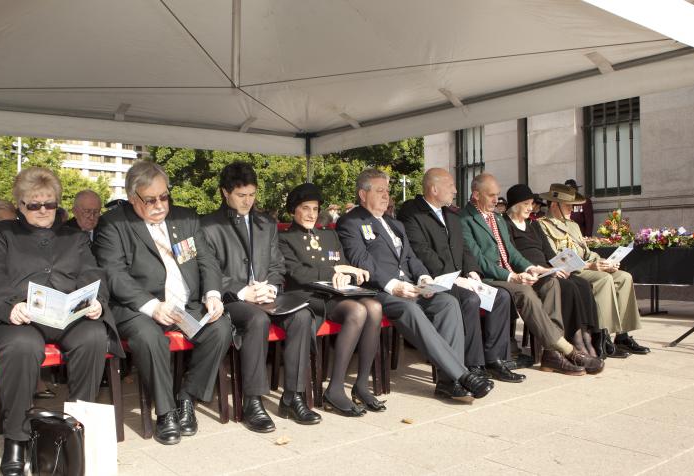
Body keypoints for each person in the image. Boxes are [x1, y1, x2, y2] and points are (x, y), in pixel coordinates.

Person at [0, 167, 121, 475]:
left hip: (66, 314)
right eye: (33, 204)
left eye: (49, 204)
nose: (42, 210)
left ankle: (75, 429)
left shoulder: (73, 236)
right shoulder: (3, 234)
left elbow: (93, 273)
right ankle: (16, 439)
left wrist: (96, 301)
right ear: (20, 205)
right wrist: (9, 305)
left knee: (93, 336)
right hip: (20, 316)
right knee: (22, 345)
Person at [93, 162, 232, 445]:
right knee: (149, 336)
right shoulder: (114, 224)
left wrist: (213, 294)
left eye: (164, 197)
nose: (160, 205)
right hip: (138, 307)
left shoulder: (186, 219)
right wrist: (152, 305)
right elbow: (113, 274)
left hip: (185, 304)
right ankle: (165, 412)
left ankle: (186, 398)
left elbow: (206, 260)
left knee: (221, 328)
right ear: (133, 199)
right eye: (150, 200)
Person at [338, 169, 494, 400]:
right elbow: (362, 261)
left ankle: (446, 382)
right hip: (381, 291)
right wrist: (393, 285)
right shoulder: (351, 222)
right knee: (409, 308)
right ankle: (461, 375)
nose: (386, 196)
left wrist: (423, 278)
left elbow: (411, 258)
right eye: (379, 190)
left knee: (448, 303)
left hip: (411, 286)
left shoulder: (395, 224)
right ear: (362, 194)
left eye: (387, 191)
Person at [199, 162, 320, 432]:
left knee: (301, 315)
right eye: (241, 195)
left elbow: (277, 264)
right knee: (256, 320)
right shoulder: (208, 226)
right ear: (224, 192)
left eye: (252, 195)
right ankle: (253, 401)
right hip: (233, 299)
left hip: (266, 294)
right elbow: (208, 271)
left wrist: (272, 288)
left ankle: (294, 396)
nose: (247, 201)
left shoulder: (266, 223)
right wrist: (243, 291)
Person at [460, 173, 601, 375]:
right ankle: (566, 349)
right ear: (475, 194)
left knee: (550, 282)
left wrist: (532, 268)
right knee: (525, 292)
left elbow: (512, 252)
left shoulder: (497, 219)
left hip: (512, 274)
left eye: (497, 195)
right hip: (491, 278)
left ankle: (551, 353)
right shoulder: (464, 219)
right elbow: (479, 259)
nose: (496, 200)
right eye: (491, 195)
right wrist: (512, 277)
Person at [397, 169, 523, 382]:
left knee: (501, 297)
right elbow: (421, 252)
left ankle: (494, 359)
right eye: (451, 186)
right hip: (435, 281)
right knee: (470, 299)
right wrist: (455, 278)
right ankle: (472, 364)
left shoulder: (450, 213)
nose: (455, 190)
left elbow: (464, 248)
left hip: (460, 277)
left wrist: (472, 271)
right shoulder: (412, 213)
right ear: (434, 189)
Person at [278, 183, 384, 416]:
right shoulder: (285, 238)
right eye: (305, 208)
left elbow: (344, 265)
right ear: (293, 210)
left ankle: (361, 385)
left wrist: (349, 274)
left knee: (374, 307)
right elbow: (298, 274)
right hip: (305, 295)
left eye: (314, 209)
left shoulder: (328, 235)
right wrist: (336, 270)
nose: (310, 214)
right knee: (358, 312)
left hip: (335, 294)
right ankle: (335, 390)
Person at [538, 182, 650, 356]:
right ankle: (601, 336)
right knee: (603, 279)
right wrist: (590, 265)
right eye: (568, 206)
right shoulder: (542, 225)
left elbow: (587, 252)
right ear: (554, 205)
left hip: (586, 265)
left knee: (624, 277)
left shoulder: (573, 225)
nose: (572, 209)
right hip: (570, 271)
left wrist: (605, 262)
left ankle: (622, 336)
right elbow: (554, 258)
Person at [503, 184, 602, 362]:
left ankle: (587, 336)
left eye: (531, 204)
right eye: (526, 204)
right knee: (568, 287)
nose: (530, 208)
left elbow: (549, 252)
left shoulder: (533, 225)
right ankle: (575, 341)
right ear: (516, 205)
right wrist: (548, 272)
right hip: (531, 273)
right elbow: (512, 256)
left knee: (582, 284)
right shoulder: (505, 225)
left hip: (548, 269)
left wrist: (558, 268)